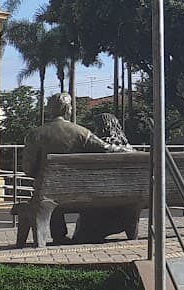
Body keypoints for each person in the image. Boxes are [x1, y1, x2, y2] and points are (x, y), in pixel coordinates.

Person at [15, 96, 127, 248]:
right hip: (82, 194)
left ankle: (59, 235)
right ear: (67, 109)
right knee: (61, 190)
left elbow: (28, 169)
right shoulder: (82, 132)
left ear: (49, 110)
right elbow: (107, 149)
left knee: (49, 192)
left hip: (48, 195)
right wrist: (129, 150)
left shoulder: (35, 134)